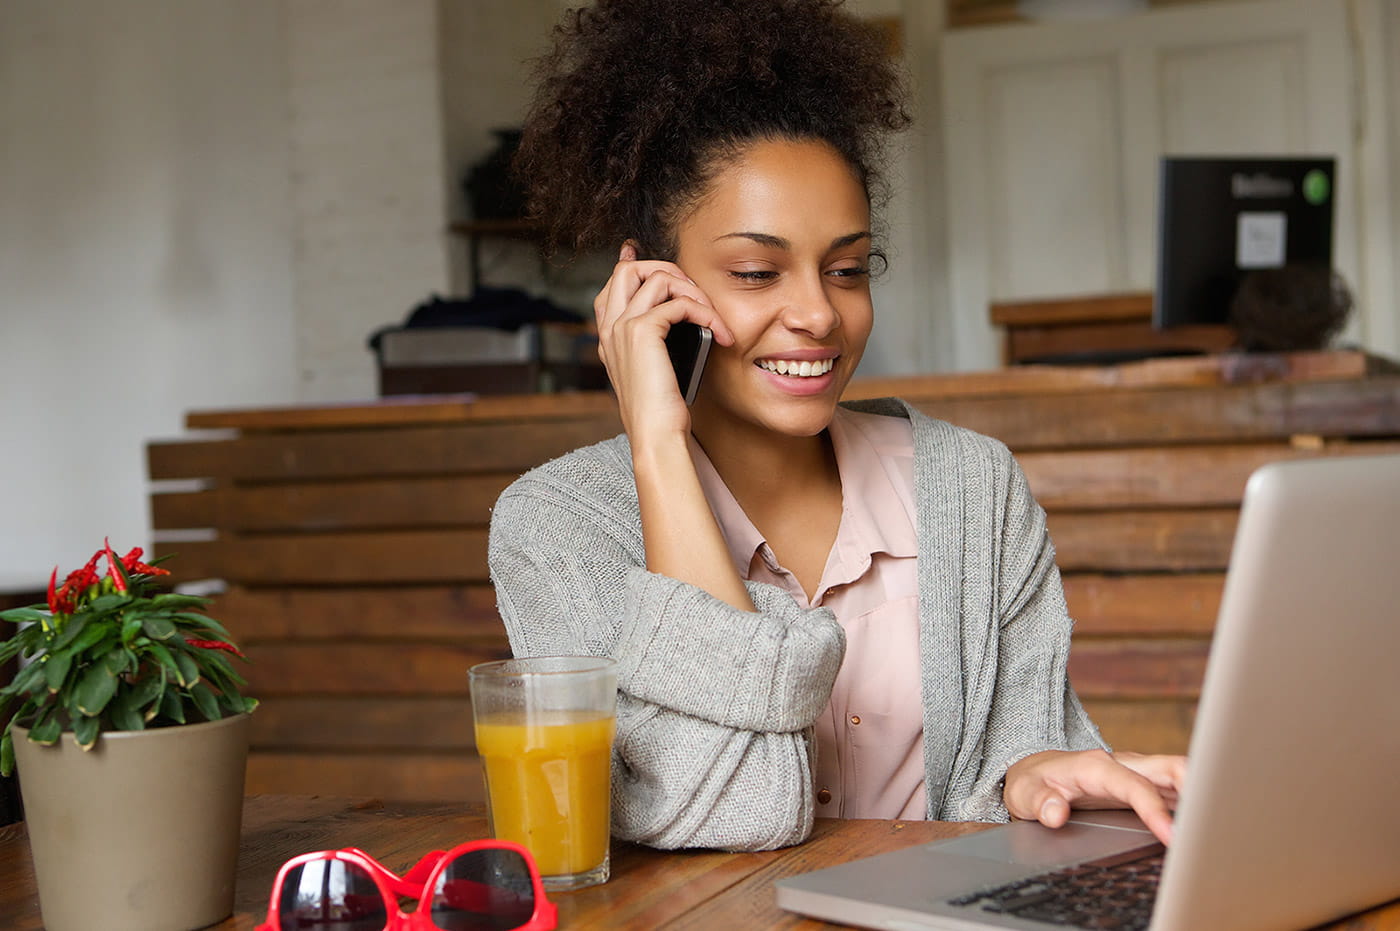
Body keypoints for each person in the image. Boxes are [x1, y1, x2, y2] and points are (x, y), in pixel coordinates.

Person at [487, 0, 1185, 852]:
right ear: (650, 288)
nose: (819, 312)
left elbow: (1017, 748)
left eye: (847, 268)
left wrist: (1029, 774)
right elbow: (734, 813)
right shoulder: (558, 527)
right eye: (756, 271)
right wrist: (657, 448)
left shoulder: (974, 487)